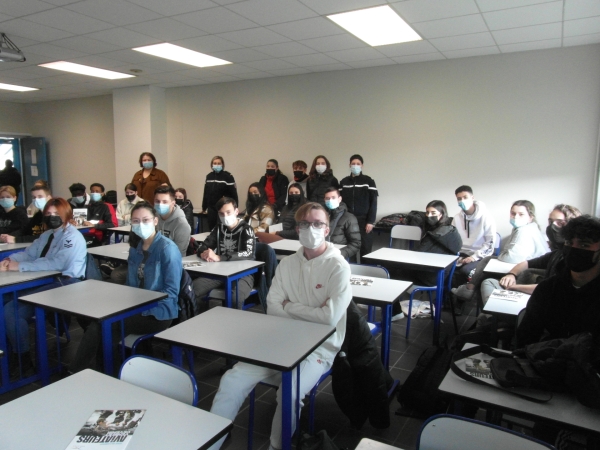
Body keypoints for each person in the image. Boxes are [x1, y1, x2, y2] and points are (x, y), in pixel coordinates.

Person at [209, 202, 352, 450]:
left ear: (327, 230)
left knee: (289, 394)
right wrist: (304, 311)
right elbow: (272, 306)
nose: (311, 228)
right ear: (297, 229)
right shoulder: (287, 264)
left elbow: (329, 319)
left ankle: (278, 446)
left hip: (320, 347)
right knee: (232, 379)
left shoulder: (338, 267)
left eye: (318, 224)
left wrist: (289, 307)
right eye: (305, 224)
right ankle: (210, 441)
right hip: (280, 338)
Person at [70, 201, 182, 373]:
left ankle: (78, 371)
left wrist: (142, 302)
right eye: (135, 221)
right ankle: (107, 371)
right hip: (134, 306)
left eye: (145, 220)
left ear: (155, 221)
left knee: (103, 326)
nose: (140, 224)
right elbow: (131, 285)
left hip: (158, 312)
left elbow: (171, 292)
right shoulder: (135, 249)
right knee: (100, 322)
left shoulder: (167, 249)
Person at [2, 198, 86, 374]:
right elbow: (29, 254)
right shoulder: (47, 235)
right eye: (48, 214)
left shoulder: (71, 236)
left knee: (12, 310)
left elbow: (57, 263)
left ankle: (22, 358)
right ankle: (8, 350)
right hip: (44, 280)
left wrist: (21, 267)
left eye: (57, 214)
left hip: (66, 283)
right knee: (4, 300)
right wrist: (10, 261)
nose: (52, 217)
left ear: (66, 215)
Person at [517, 214, 600, 346]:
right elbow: (526, 337)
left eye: (584, 245)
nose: (574, 249)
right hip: (546, 360)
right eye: (569, 242)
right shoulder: (547, 289)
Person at [453, 200, 550, 302]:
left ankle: (470, 290)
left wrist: (500, 255)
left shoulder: (524, 231)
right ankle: (469, 289)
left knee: (486, 269)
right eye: (513, 213)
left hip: (532, 272)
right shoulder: (526, 227)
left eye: (521, 214)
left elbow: (511, 256)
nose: (515, 217)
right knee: (487, 261)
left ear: (531, 217)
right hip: (526, 265)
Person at [390, 200, 462, 321]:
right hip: (439, 274)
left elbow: (418, 253)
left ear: (442, 214)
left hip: (431, 276)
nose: (429, 216)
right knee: (393, 269)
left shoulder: (436, 233)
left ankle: (394, 311)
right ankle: (393, 308)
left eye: (433, 213)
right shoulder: (450, 230)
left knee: (390, 271)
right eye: (427, 213)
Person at [192, 197, 255, 309]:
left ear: (236, 211)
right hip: (219, 271)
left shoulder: (246, 229)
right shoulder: (219, 228)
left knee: (235, 297)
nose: (225, 216)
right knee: (192, 289)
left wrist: (219, 257)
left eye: (228, 212)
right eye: (221, 214)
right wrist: (203, 254)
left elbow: (248, 253)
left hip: (243, 273)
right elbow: (203, 246)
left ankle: (233, 325)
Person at [451, 185, 496, 284]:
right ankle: (448, 297)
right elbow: (452, 240)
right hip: (461, 254)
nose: (462, 200)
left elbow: (490, 244)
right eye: (459, 199)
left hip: (479, 256)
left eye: (465, 197)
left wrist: (473, 257)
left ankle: (461, 297)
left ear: (472, 197)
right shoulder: (457, 218)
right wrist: (458, 257)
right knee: (445, 269)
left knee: (465, 271)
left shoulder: (486, 217)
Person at [339, 154, 378, 260]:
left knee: (365, 250)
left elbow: (373, 202)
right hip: (348, 221)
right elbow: (340, 202)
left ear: (362, 166)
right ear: (349, 165)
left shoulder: (369, 181)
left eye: (358, 164)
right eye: (353, 164)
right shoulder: (344, 182)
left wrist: (371, 221)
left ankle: (365, 273)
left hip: (364, 221)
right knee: (349, 250)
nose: (355, 166)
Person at [323, 187, 360, 260]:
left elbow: (356, 244)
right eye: (327, 198)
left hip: (340, 258)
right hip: (322, 256)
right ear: (324, 200)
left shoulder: (349, 218)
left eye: (333, 197)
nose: (330, 200)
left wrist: (338, 253)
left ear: (340, 199)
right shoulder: (321, 216)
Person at [202, 156, 238, 230]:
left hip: (223, 207)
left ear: (222, 165)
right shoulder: (209, 176)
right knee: (212, 228)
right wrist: (204, 207)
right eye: (215, 163)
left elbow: (233, 194)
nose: (217, 165)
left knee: (223, 228)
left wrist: (235, 207)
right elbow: (206, 193)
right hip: (211, 208)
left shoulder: (228, 176)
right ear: (212, 165)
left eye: (219, 163)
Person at [154, 185, 191, 257]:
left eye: (165, 202)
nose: (160, 204)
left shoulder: (182, 225)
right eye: (157, 201)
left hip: (172, 263)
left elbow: (178, 253)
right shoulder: (152, 217)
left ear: (173, 203)